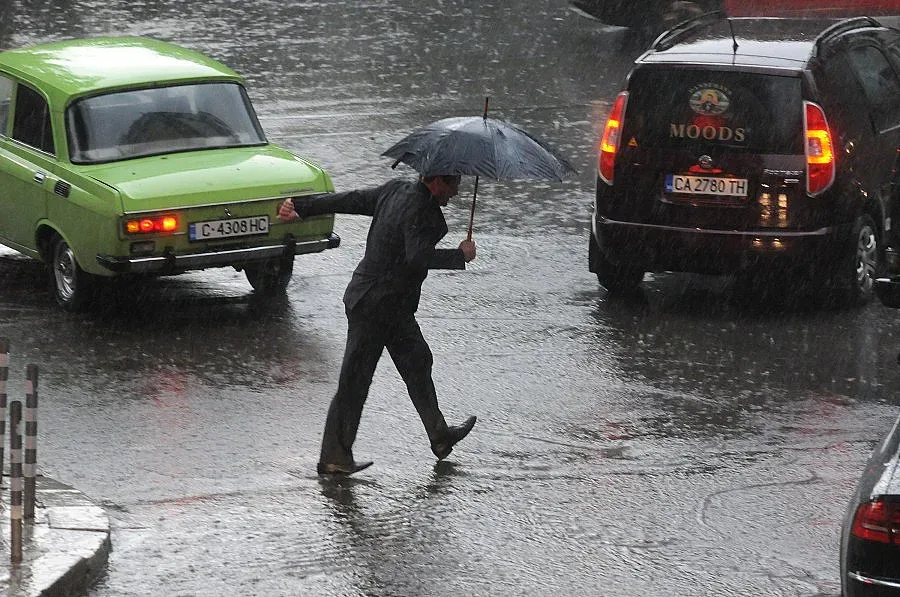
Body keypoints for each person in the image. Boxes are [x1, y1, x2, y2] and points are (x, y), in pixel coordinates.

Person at [277, 174, 478, 475]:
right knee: (354, 382)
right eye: (453, 184)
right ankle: (334, 457)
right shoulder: (424, 212)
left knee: (418, 361)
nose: (457, 191)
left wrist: (303, 206)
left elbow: (352, 199)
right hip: (376, 306)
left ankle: (439, 436)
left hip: (386, 304)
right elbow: (416, 257)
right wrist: (459, 255)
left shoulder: (396, 189)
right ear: (436, 181)